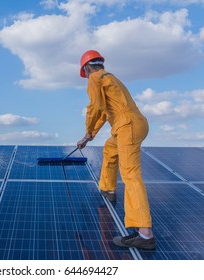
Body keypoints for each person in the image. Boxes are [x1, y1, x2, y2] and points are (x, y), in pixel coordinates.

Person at [77, 50, 156, 250]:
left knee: (131, 175)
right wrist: (90, 135)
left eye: (85, 71)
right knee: (110, 148)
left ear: (87, 68)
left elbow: (95, 107)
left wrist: (87, 131)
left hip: (127, 126)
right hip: (135, 124)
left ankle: (145, 234)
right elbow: (104, 112)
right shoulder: (111, 78)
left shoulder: (95, 79)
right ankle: (109, 189)